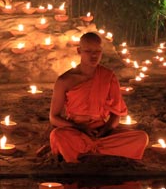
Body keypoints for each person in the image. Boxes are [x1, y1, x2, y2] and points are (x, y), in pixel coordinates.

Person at [49, 32, 148, 163]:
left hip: (101, 132)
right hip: (76, 130)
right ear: (79, 51)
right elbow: (54, 118)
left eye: (97, 51)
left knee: (141, 137)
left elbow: (115, 115)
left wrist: (105, 130)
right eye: (88, 51)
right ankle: (101, 153)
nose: (94, 55)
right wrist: (80, 128)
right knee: (58, 135)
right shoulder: (65, 80)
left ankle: (85, 153)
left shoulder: (108, 76)